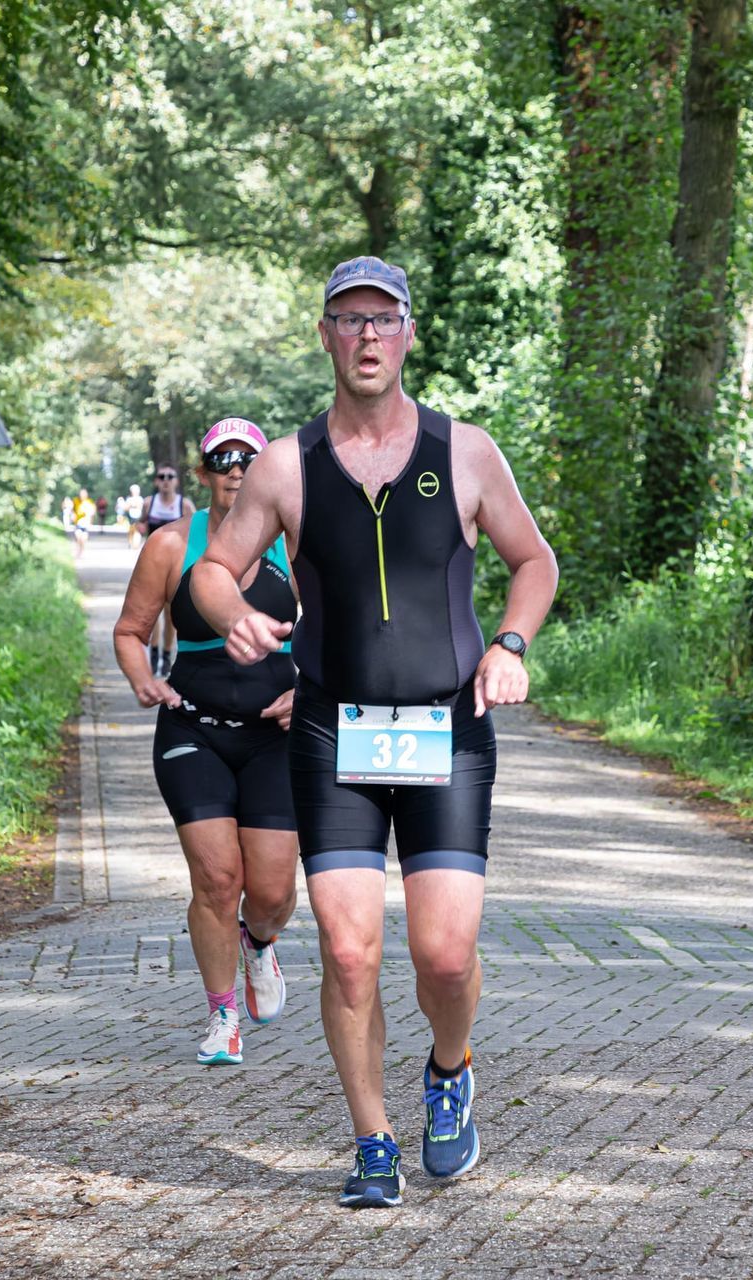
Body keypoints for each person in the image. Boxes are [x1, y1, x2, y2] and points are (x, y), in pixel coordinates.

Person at [192, 256, 558, 1208]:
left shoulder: (466, 452)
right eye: (347, 320)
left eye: (381, 319)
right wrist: (228, 607)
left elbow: (534, 561)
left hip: (448, 728)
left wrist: (511, 643)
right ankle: (372, 1140)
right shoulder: (284, 463)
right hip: (331, 732)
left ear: (406, 333)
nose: (365, 336)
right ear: (325, 336)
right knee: (350, 952)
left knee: (443, 955)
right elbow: (212, 570)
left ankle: (448, 1071)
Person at [113, 419, 300, 1066]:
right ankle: (223, 1015)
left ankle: (260, 941)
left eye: (249, 456)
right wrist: (144, 679)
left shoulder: (294, 546)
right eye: (222, 458)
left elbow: (340, 638)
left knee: (272, 892)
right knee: (218, 879)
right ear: (202, 473)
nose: (236, 467)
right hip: (193, 728)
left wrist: (308, 687)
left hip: (277, 738)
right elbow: (131, 631)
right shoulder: (170, 546)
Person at [144, 464, 194, 676]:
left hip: (176, 566)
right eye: (161, 476)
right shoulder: (149, 504)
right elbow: (142, 526)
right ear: (156, 481)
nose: (165, 480)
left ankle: (166, 655)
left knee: (170, 614)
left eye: (170, 476)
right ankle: (154, 653)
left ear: (176, 481)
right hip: (152, 565)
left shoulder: (185, 506)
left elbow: (196, 533)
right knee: (153, 613)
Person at [70, 488, 96, 561]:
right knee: (78, 537)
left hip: (85, 523)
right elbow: (72, 509)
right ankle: (78, 551)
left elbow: (92, 512)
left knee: (83, 539)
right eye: (81, 494)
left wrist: (91, 521)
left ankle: (82, 552)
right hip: (78, 523)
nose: (82, 496)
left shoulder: (89, 502)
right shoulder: (75, 500)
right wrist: (72, 514)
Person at [121, 483, 147, 550]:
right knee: (131, 531)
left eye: (136, 491)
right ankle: (130, 542)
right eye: (133, 491)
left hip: (138, 517)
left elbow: (142, 507)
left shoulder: (140, 499)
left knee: (137, 531)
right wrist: (130, 505)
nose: (135, 492)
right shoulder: (129, 499)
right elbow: (125, 508)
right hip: (131, 517)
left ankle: (136, 544)